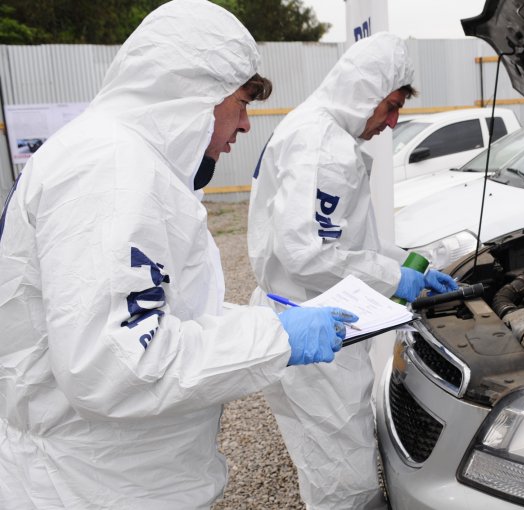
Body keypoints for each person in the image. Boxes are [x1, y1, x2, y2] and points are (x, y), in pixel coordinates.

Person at [0, 1, 356, 508]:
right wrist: (273, 338)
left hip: (115, 476)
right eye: (241, 102)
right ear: (195, 93)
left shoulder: (123, 159)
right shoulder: (113, 171)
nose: (246, 126)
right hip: (94, 487)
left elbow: (152, 314)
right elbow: (117, 364)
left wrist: (255, 320)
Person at [247, 32, 458, 509]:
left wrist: (407, 265)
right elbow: (306, 253)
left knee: (322, 462)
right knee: (347, 476)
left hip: (296, 316)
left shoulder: (316, 130)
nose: (392, 122)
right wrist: (395, 280)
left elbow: (346, 240)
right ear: (364, 92)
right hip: (315, 331)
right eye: (389, 107)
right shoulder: (322, 147)